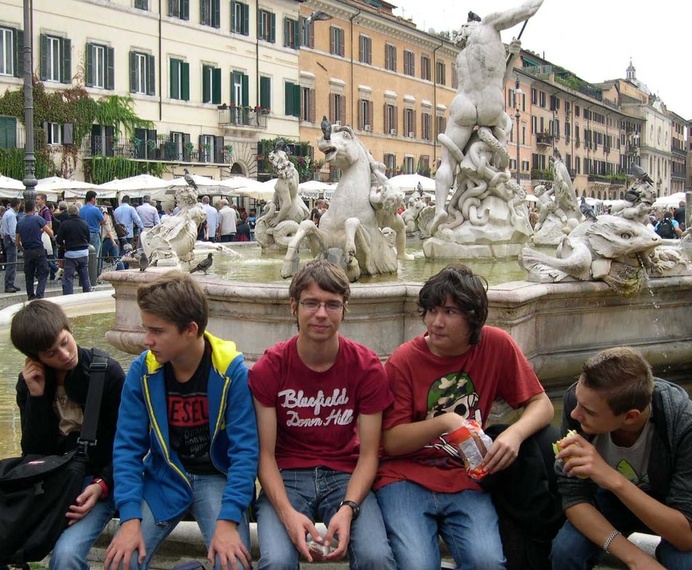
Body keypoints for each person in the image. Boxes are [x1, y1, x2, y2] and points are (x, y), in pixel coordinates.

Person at [374, 263, 554, 569]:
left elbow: (542, 404)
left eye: (449, 312)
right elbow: (391, 441)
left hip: (467, 477)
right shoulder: (404, 360)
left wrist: (515, 433)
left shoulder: (496, 345)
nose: (436, 322)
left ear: (473, 317)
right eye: (432, 311)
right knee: (417, 565)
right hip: (404, 477)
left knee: (488, 563)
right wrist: (445, 422)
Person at [248, 259, 396, 569]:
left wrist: (349, 507)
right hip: (286, 476)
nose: (321, 313)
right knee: (275, 561)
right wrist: (287, 514)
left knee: (376, 557)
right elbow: (265, 455)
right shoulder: (270, 368)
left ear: (344, 309)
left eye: (332, 304)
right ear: (294, 306)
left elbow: (370, 454)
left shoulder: (367, 367)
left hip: (345, 474)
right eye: (311, 303)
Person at [105, 271, 257, 570]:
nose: (147, 340)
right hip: (165, 477)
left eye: (157, 331)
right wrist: (130, 517)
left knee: (233, 564)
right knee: (121, 562)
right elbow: (127, 448)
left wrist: (228, 519)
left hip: (217, 480)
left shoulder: (231, 372)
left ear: (190, 330)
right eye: (146, 329)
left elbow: (245, 452)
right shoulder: (142, 371)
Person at [551, 347, 692, 570]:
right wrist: (634, 557)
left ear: (630, 417)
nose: (574, 414)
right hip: (608, 502)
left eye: (589, 412)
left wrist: (611, 478)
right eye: (577, 402)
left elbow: (686, 536)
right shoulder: (580, 403)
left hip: (668, 507)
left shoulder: (683, 424)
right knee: (566, 551)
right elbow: (574, 497)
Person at [9, 299, 125, 570]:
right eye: (51, 353)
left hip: (99, 481)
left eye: (65, 342)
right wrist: (37, 398)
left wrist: (102, 484)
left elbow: (127, 444)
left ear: (69, 329)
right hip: (54, 484)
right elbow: (33, 451)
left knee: (65, 556)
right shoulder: (30, 383)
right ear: (35, 358)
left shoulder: (106, 372)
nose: (64, 354)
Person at [429, 0, 544, 235]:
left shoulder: (463, 56)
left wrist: (511, 55)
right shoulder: (489, 26)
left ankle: (440, 208)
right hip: (491, 105)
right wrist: (511, 56)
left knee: (447, 163)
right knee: (503, 133)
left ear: (465, 30)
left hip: (464, 104)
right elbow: (526, 10)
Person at [16, 200, 54, 300]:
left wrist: (23, 250)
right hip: (38, 249)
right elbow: (51, 233)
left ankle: (30, 296)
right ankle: (39, 295)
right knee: (43, 273)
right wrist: (41, 230)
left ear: (25, 209)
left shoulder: (20, 222)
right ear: (34, 209)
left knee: (29, 275)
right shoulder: (38, 219)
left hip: (27, 251)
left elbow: (17, 242)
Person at [56, 204, 92, 295]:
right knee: (85, 276)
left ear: (68, 213)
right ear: (78, 212)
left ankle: (68, 296)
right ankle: (88, 294)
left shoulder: (65, 224)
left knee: (68, 277)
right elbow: (88, 239)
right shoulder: (84, 223)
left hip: (71, 254)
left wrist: (63, 245)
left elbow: (59, 240)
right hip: (83, 253)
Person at [36, 192, 59, 280]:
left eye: (38, 199)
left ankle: (55, 270)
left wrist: (41, 229)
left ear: (43, 200)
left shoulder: (45, 211)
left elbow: (49, 225)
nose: (36, 201)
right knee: (45, 257)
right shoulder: (41, 211)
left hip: (45, 237)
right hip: (43, 236)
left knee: (44, 257)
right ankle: (54, 272)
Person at [79, 190, 105, 261]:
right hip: (94, 233)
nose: (96, 200)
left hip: (83, 234)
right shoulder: (96, 209)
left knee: (85, 255)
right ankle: (93, 268)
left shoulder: (81, 209)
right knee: (94, 256)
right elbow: (103, 221)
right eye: (96, 198)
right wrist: (104, 212)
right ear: (93, 198)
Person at [1, 197, 20, 292]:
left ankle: (10, 283)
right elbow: (13, 231)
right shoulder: (12, 215)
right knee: (12, 263)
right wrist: (16, 241)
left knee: (10, 262)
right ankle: (9, 284)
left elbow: (2, 228)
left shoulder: (6, 213)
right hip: (10, 239)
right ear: (17, 205)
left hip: (6, 238)